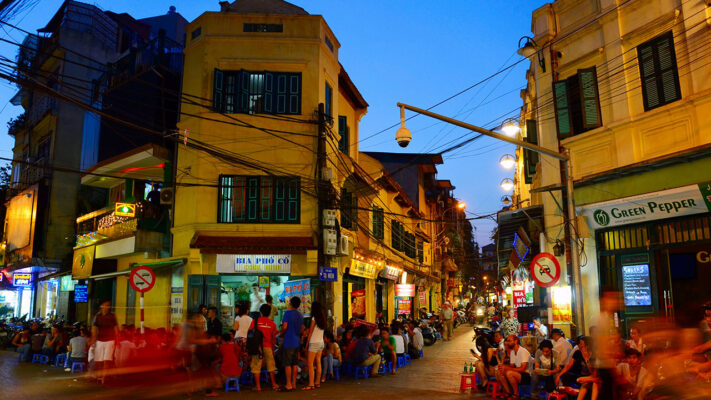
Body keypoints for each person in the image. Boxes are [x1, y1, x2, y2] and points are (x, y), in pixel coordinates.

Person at [250, 304, 279, 392]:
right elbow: (273, 338)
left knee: (256, 366)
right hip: (268, 346)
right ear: (270, 313)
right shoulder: (272, 324)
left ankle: (258, 387)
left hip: (257, 347)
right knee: (271, 365)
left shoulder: (255, 321)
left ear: (261, 312)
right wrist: (273, 348)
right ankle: (274, 384)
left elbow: (250, 334)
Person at [91, 300, 120, 384]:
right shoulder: (98, 316)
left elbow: (116, 328)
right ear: (101, 306)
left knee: (107, 360)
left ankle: (104, 377)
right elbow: (94, 328)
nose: (108, 307)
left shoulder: (112, 316)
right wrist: (93, 339)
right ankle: (101, 375)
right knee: (99, 360)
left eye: (109, 305)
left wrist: (117, 340)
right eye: (106, 305)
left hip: (110, 340)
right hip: (100, 340)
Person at [280, 296, 304, 391]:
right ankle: (294, 383)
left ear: (290, 303)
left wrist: (281, 334)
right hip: (296, 341)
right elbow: (302, 329)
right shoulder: (300, 315)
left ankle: (288, 384)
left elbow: (284, 327)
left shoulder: (287, 313)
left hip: (289, 341)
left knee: (287, 363)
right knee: (295, 363)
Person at [496, 334, 531, 398]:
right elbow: (512, 366)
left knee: (509, 373)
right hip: (518, 372)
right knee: (500, 372)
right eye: (507, 341)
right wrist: (503, 367)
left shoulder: (523, 351)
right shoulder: (513, 352)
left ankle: (516, 393)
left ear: (515, 341)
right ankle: (508, 392)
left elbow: (523, 369)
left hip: (527, 375)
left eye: (509, 341)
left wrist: (506, 368)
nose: (507, 343)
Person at [303, 301, 326, 391]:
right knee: (318, 362)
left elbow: (310, 333)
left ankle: (311, 384)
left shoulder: (314, 318)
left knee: (310, 364)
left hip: (314, 342)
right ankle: (317, 382)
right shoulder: (322, 318)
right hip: (321, 342)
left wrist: (306, 343)